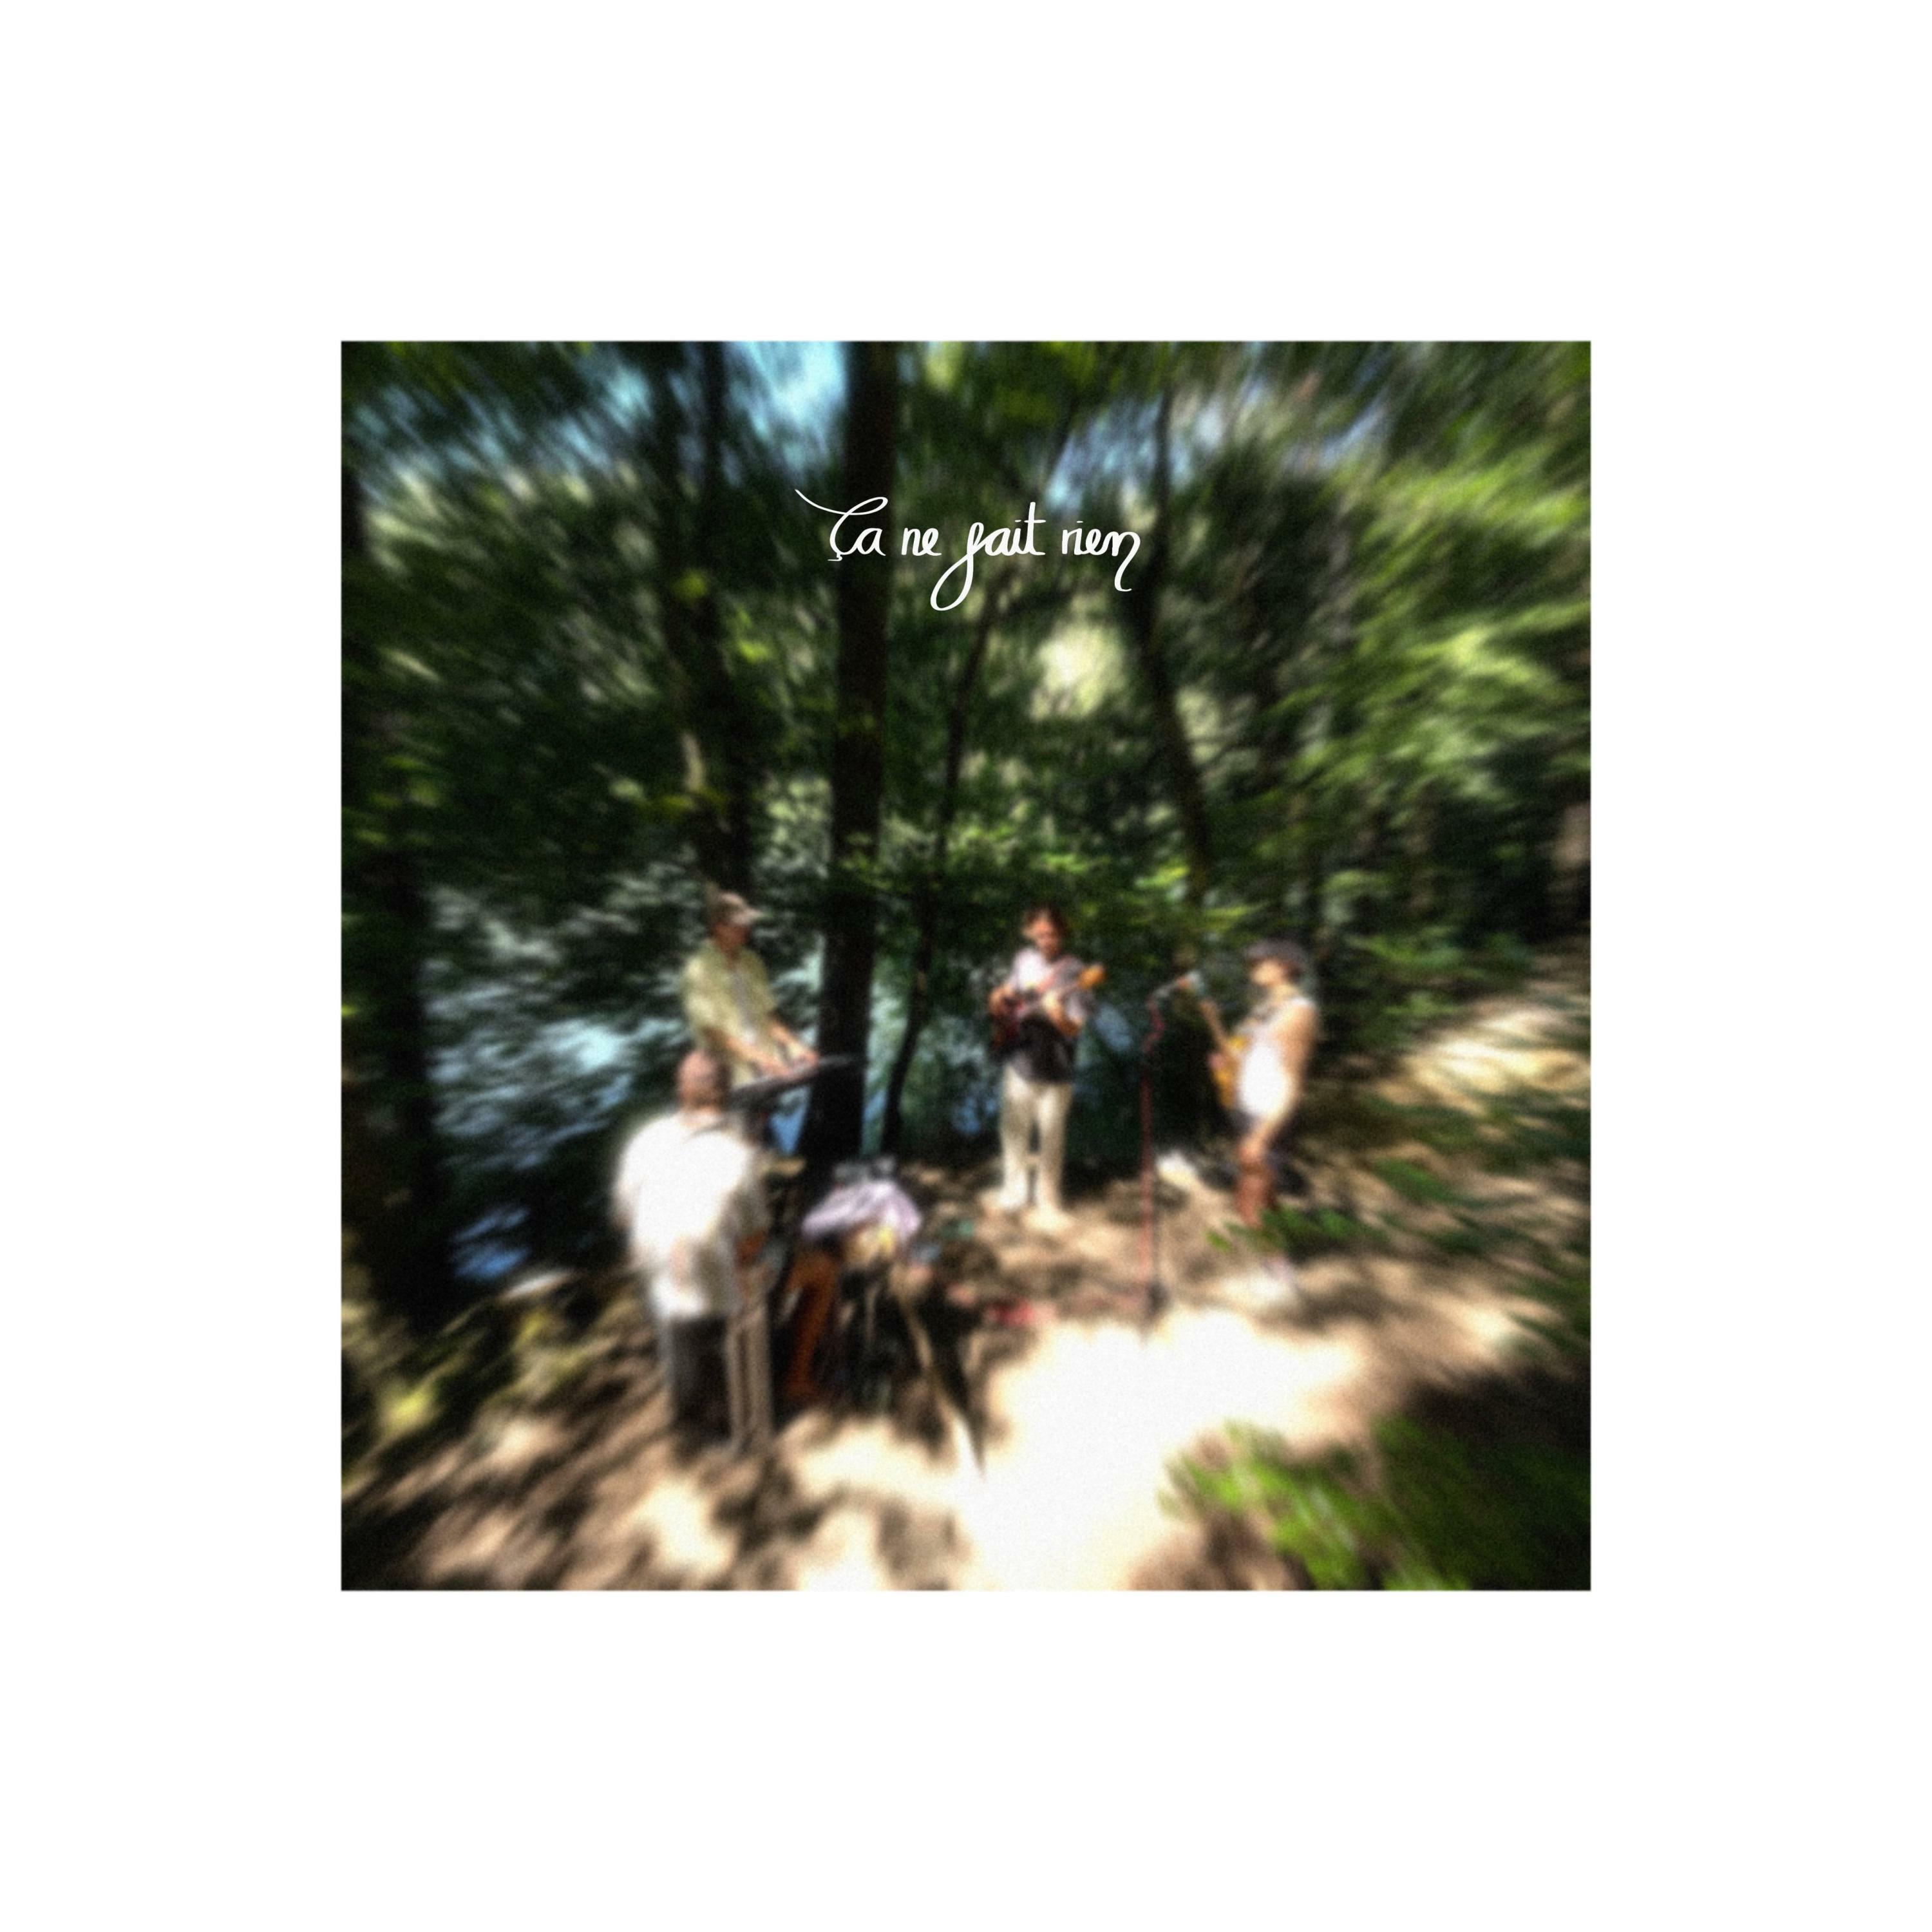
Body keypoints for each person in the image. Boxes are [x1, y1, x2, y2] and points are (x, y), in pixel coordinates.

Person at [612, 1048, 769, 1438]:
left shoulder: (645, 1139)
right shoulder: (738, 1155)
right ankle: (728, 1414)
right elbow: (754, 1236)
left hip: (655, 1277)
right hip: (709, 1285)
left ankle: (687, 1411)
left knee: (674, 1302)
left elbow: (623, 1217)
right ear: (727, 1094)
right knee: (757, 1268)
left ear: (681, 1091)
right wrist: (743, 1261)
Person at [987, 904, 1095, 1231]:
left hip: (1056, 1067)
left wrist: (1057, 1014)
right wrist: (998, 996)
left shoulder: (1076, 972)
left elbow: (1075, 1028)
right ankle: (1013, 1195)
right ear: (1031, 933)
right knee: (1013, 1132)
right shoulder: (1023, 960)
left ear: (1062, 933)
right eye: (1040, 934)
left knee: (1052, 1138)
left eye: (1052, 934)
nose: (1046, 940)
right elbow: (1013, 994)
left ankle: (1048, 1201)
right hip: (1019, 1059)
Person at [1219, 938, 1320, 1232]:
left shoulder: (1298, 1012)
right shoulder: (1265, 1007)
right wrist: (1227, 1060)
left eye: (1260, 962)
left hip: (1269, 1115)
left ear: (1284, 966)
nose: (1253, 967)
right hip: (1247, 1107)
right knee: (1263, 1191)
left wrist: (1262, 1137)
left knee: (1249, 1203)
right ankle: (1277, 1248)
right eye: (1252, 962)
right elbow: (1244, 1053)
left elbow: (1293, 1085)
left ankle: (1274, 1258)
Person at [680, 887, 817, 1089]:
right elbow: (710, 1030)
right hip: (727, 1075)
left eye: (747, 923)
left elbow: (768, 1015)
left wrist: (793, 1044)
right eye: (738, 924)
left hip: (769, 1067)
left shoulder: (753, 961)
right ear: (719, 927)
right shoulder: (698, 969)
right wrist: (758, 1058)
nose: (745, 928)